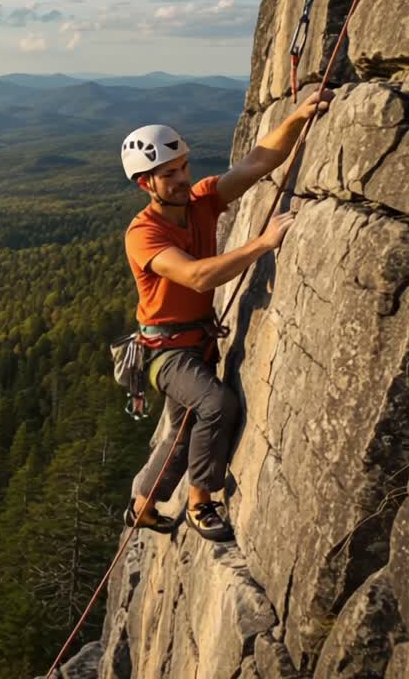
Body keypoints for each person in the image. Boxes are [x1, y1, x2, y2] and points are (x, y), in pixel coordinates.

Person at [119, 89, 334, 542]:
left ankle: (141, 505)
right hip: (166, 353)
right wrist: (262, 244)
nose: (181, 179)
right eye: (168, 174)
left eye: (182, 168)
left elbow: (256, 163)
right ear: (146, 184)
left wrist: (297, 116)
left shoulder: (201, 202)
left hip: (193, 340)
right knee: (216, 404)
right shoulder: (143, 233)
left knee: (181, 430)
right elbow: (196, 277)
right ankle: (201, 502)